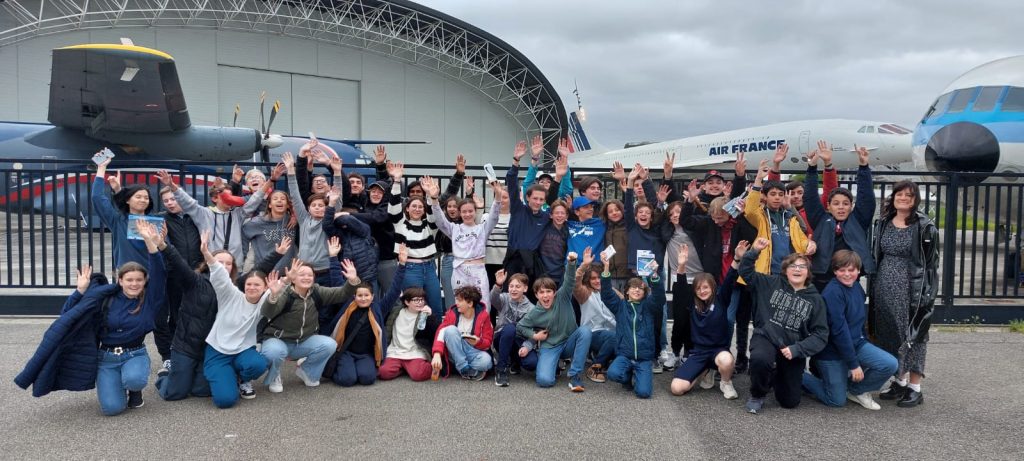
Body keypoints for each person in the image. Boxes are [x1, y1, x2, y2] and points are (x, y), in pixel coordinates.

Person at [155, 231, 290, 403]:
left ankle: (229, 374)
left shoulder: (235, 287)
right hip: (187, 345)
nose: (224, 266)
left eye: (228, 263)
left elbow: (257, 274)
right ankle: (166, 375)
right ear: (210, 263)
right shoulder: (194, 281)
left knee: (202, 391)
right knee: (175, 393)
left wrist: (277, 254)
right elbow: (178, 262)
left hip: (211, 348)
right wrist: (162, 245)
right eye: (220, 262)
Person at [738, 238, 829, 414]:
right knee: (760, 359)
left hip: (792, 348)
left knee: (790, 401)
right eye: (792, 266)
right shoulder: (770, 283)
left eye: (802, 266)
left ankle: (774, 374)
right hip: (766, 336)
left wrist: (798, 349)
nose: (797, 269)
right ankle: (757, 394)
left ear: (808, 272)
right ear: (785, 270)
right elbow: (746, 273)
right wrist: (754, 252)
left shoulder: (815, 299)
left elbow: (821, 334)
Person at [870, 180, 939, 408]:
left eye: (908, 195)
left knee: (914, 334)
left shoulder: (924, 226)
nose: (903, 198)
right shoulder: (884, 222)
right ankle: (899, 380)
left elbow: (930, 264)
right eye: (899, 194)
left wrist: (926, 294)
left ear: (915, 199)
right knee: (890, 331)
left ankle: (915, 387)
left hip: (911, 288)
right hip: (883, 286)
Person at [802, 250, 898, 410]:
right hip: (831, 352)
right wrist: (854, 364)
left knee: (889, 364)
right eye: (841, 270)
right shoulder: (833, 293)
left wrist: (866, 345)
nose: (847, 274)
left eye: (851, 270)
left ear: (858, 270)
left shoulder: (857, 288)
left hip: (855, 344)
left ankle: (855, 390)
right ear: (834, 271)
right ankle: (797, 376)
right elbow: (839, 331)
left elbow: (859, 322)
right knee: (836, 400)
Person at [259, 257, 362, 393]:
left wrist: (352, 280)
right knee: (273, 352)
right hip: (278, 340)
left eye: (310, 275)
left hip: (303, 341)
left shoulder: (316, 292)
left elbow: (342, 294)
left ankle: (307, 371)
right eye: (301, 274)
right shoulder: (285, 292)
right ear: (293, 278)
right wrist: (273, 295)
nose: (306, 278)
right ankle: (274, 375)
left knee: (329, 344)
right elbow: (268, 312)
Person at [99, 219, 166, 415]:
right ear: (120, 280)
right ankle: (116, 384)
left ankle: (134, 389)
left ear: (145, 281)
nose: (134, 284)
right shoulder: (107, 298)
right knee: (112, 409)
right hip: (106, 358)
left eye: (139, 280)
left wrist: (149, 241)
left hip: (134, 353)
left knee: (134, 379)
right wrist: (79, 291)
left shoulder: (150, 300)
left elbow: (159, 271)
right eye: (129, 279)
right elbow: (77, 313)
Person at [202, 241, 278, 408]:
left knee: (258, 364)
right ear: (244, 286)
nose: (252, 287)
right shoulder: (231, 294)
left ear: (264, 288)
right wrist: (207, 255)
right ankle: (227, 376)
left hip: (242, 350)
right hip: (218, 351)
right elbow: (219, 274)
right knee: (225, 401)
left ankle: (242, 378)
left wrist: (290, 277)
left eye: (257, 285)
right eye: (249, 284)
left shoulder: (262, 301)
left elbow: (279, 288)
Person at [327, 245, 409, 387]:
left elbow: (394, 290)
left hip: (366, 354)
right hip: (346, 351)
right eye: (359, 295)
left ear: (372, 297)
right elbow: (336, 282)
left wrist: (401, 265)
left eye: (366, 295)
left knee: (367, 379)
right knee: (347, 380)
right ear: (354, 296)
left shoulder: (378, 308)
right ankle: (339, 369)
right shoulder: (347, 304)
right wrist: (333, 258)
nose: (363, 298)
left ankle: (356, 369)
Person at [803, 142, 876, 291]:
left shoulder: (858, 221)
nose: (841, 207)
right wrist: (812, 168)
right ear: (828, 206)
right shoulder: (821, 220)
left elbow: (866, 197)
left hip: (850, 278)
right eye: (836, 203)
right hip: (822, 277)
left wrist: (863, 167)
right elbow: (810, 198)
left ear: (851, 206)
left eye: (845, 203)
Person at [516, 250, 593, 392]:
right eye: (541, 292)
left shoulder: (562, 297)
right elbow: (520, 327)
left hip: (570, 341)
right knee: (544, 381)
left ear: (554, 292)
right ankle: (555, 363)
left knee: (585, 331)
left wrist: (571, 262)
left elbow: (569, 279)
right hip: (550, 346)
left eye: (548, 291)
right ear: (536, 295)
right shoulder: (534, 313)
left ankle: (575, 375)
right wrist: (534, 336)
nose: (545, 295)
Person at [670, 245, 740, 399]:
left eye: (706, 287)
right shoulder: (692, 303)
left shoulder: (721, 299)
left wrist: (736, 259)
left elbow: (729, 279)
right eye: (698, 289)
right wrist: (682, 264)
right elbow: (681, 286)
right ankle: (705, 370)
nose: (702, 291)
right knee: (677, 388)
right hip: (698, 352)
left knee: (727, 361)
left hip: (718, 351)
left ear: (713, 288)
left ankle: (725, 382)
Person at [157, 169, 266, 267]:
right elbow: (188, 202)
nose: (228, 199)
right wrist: (172, 185)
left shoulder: (238, 214)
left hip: (235, 267)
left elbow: (254, 201)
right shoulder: (204, 214)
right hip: (212, 267)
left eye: (230, 197)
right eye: (224, 196)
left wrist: (271, 181)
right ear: (214, 198)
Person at [427, 177, 504, 310]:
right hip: (459, 271)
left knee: (483, 306)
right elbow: (440, 221)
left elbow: (494, 216)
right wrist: (434, 199)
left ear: (475, 212)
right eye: (464, 212)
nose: (467, 214)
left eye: (470, 211)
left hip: (478, 271)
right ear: (459, 213)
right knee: (460, 306)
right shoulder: (454, 229)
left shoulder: (482, 228)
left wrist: (497, 196)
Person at [597, 247, 665, 399]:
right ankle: (627, 378)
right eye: (633, 287)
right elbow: (607, 294)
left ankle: (639, 376)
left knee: (643, 393)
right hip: (625, 355)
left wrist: (654, 274)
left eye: (640, 288)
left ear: (644, 292)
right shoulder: (620, 306)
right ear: (626, 291)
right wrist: (606, 267)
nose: (637, 290)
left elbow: (660, 298)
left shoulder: (648, 306)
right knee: (613, 374)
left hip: (644, 358)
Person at [154, 185, 202, 372]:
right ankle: (174, 354)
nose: (170, 203)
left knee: (198, 313)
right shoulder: (161, 219)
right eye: (166, 201)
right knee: (176, 314)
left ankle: (196, 351)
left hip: (198, 273)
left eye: (173, 199)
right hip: (174, 275)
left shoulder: (196, 216)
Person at [387, 162, 443, 319]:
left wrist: (432, 196)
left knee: (436, 307)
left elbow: (434, 215)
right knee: (413, 309)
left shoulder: (429, 226)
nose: (417, 209)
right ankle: (413, 341)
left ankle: (435, 341)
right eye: (414, 206)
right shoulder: (400, 223)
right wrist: (397, 181)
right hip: (410, 269)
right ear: (407, 209)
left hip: (430, 268)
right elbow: (393, 207)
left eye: (421, 207)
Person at [503, 140, 552, 290]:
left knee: (531, 299)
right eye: (535, 198)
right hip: (513, 261)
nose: (538, 202)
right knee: (510, 296)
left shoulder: (545, 217)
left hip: (532, 264)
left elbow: (560, 198)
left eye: (541, 199)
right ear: (527, 197)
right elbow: (511, 182)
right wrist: (516, 160)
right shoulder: (519, 209)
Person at [91, 156, 155, 268]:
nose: (143, 200)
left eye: (146, 197)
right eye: (138, 197)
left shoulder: (155, 222)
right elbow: (97, 198)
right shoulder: (119, 220)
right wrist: (101, 168)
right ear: (128, 200)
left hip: (151, 275)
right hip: (126, 277)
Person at [284, 151, 337, 285]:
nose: (318, 207)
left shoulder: (330, 220)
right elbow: (295, 196)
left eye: (321, 205)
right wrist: (290, 170)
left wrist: (337, 172)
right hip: (304, 271)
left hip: (326, 271)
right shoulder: (304, 219)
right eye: (314, 205)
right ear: (308, 208)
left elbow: (337, 193)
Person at [430, 286, 494, 380]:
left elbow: (488, 341)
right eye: (457, 300)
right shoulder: (452, 313)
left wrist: (478, 342)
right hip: (454, 350)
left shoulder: (484, 316)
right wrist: (437, 354)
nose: (457, 303)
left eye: (460, 301)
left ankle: (462, 367)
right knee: (450, 330)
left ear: (470, 303)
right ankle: (464, 368)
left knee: (486, 362)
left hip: (472, 351)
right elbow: (440, 333)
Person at [378, 287, 439, 382]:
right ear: (407, 302)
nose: (420, 302)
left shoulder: (424, 315)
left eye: (422, 299)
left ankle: (412, 367)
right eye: (416, 300)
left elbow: (434, 333)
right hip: (396, 351)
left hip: (414, 352)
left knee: (418, 375)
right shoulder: (396, 312)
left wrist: (431, 316)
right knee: (383, 372)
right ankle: (403, 368)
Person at [490, 270, 538, 386]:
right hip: (501, 337)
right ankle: (501, 369)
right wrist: (498, 285)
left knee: (532, 363)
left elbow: (534, 332)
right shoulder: (505, 298)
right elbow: (493, 299)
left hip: (519, 341)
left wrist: (527, 346)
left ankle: (515, 361)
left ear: (525, 289)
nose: (513, 289)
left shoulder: (531, 309)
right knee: (510, 328)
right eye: (511, 286)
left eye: (517, 286)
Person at [575, 262, 616, 384]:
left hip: (611, 331)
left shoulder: (610, 290)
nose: (598, 281)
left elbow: (625, 302)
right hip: (593, 333)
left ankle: (605, 359)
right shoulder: (585, 292)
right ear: (588, 279)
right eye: (593, 278)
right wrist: (583, 265)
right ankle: (595, 367)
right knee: (614, 338)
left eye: (600, 277)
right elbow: (574, 283)